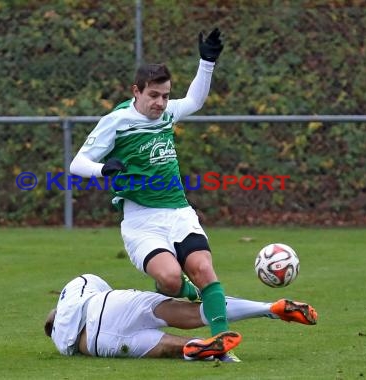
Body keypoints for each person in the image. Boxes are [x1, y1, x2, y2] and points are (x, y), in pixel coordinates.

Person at [69, 28, 239, 360]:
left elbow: (194, 101)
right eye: (154, 95)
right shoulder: (116, 121)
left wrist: (207, 62)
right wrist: (103, 170)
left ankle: (222, 347)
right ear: (137, 91)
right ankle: (183, 293)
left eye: (165, 95)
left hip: (178, 212)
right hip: (142, 221)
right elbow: (77, 163)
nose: (161, 103)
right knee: (171, 279)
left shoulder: (166, 113)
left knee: (204, 268)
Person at [44, 274, 318, 361]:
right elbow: (96, 286)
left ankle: (195, 348)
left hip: (97, 343)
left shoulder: (61, 341)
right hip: (109, 306)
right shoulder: (76, 287)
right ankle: (270, 308)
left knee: (165, 346)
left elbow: (57, 328)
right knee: (194, 311)